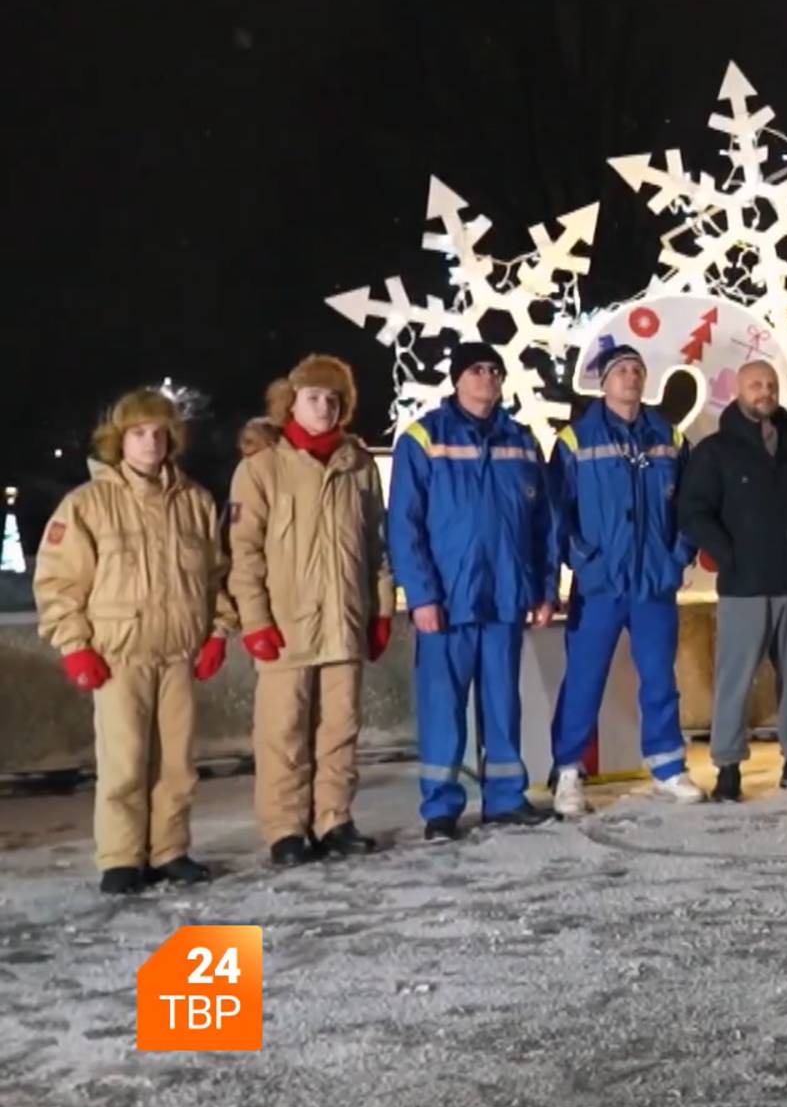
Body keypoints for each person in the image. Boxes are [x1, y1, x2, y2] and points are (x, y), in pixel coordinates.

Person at [35, 389, 235, 894]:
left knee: (176, 765)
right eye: (139, 434)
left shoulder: (194, 501)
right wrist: (75, 644)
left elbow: (216, 576)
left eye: (158, 433)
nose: (150, 443)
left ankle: (170, 850)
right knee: (123, 762)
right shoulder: (87, 504)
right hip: (118, 655)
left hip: (178, 655)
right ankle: (122, 857)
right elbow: (59, 583)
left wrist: (216, 631)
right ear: (119, 441)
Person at [387, 342, 559, 839]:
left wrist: (544, 588)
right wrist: (421, 596)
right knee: (443, 706)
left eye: (494, 370)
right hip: (447, 600)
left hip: (506, 596)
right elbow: (404, 524)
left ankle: (505, 797)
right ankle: (441, 807)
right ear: (457, 379)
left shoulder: (523, 441)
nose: (487, 377)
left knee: (503, 703)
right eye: (476, 369)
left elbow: (543, 525)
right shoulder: (423, 439)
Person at [228, 355, 393, 865]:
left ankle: (334, 819)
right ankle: (285, 828)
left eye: (332, 399)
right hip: (286, 626)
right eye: (313, 397)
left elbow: (377, 545)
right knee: (283, 731)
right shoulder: (261, 468)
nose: (323, 407)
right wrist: (254, 621)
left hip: (344, 620)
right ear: (291, 403)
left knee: (340, 727)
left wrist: (380, 610)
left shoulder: (358, 466)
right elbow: (244, 552)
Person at [678, 359, 787, 800]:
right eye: (755, 384)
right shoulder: (715, 451)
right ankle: (728, 766)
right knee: (736, 677)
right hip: (747, 585)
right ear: (737, 388)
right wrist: (730, 554)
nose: (764, 391)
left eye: (770, 385)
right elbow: (693, 511)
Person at [548, 346, 700, 812]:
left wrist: (676, 558)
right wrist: (581, 561)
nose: (630, 378)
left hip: (653, 581)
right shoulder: (575, 439)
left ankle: (668, 766)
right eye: (621, 371)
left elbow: (691, 508)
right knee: (583, 680)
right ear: (604, 383)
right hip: (599, 585)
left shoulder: (670, 437)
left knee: (659, 678)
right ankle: (569, 772)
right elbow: (558, 510)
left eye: (637, 370)